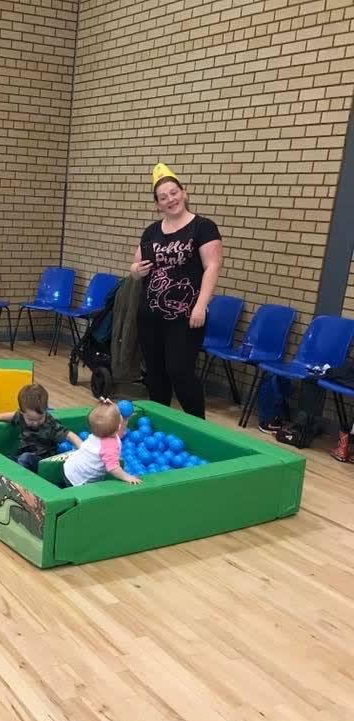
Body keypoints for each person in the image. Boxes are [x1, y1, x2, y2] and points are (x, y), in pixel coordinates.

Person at [130, 162, 223, 419]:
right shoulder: (151, 231)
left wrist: (201, 305)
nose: (170, 199)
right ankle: (159, 421)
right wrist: (137, 270)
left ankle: (198, 425)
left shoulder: (203, 227)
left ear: (184, 193)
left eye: (174, 193)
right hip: (150, 316)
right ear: (157, 204)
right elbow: (135, 268)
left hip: (186, 316)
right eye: (163, 197)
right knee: (155, 373)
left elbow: (212, 266)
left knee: (180, 370)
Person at [0, 383, 82, 471]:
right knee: (6, 459)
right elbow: (11, 416)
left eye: (40, 419)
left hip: (42, 461)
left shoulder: (50, 424)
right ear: (22, 412)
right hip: (22, 456)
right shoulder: (21, 416)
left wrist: (82, 448)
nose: (35, 423)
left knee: (25, 458)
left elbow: (69, 435)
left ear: (45, 410)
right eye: (31, 420)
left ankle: (20, 479)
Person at [64, 399, 141, 487]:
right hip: (78, 479)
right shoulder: (109, 446)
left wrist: (125, 419)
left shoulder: (99, 432)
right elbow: (113, 468)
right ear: (118, 427)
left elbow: (119, 433)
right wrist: (128, 477)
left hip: (71, 467)